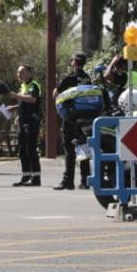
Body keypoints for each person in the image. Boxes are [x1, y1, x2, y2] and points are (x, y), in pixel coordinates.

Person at [54, 52, 90, 191]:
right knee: (83, 147)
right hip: (84, 118)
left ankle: (68, 181)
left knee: (69, 149)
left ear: (74, 62)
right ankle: (85, 181)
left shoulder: (69, 78)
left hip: (70, 117)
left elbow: (56, 94)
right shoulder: (87, 78)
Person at [10, 64, 42, 187]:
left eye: (22, 72)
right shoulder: (23, 86)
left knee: (31, 149)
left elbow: (33, 99)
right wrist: (14, 107)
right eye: (18, 72)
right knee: (22, 150)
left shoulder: (34, 85)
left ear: (30, 73)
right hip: (22, 121)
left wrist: (16, 96)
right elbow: (24, 102)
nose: (19, 74)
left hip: (31, 121)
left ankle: (36, 178)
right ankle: (26, 175)